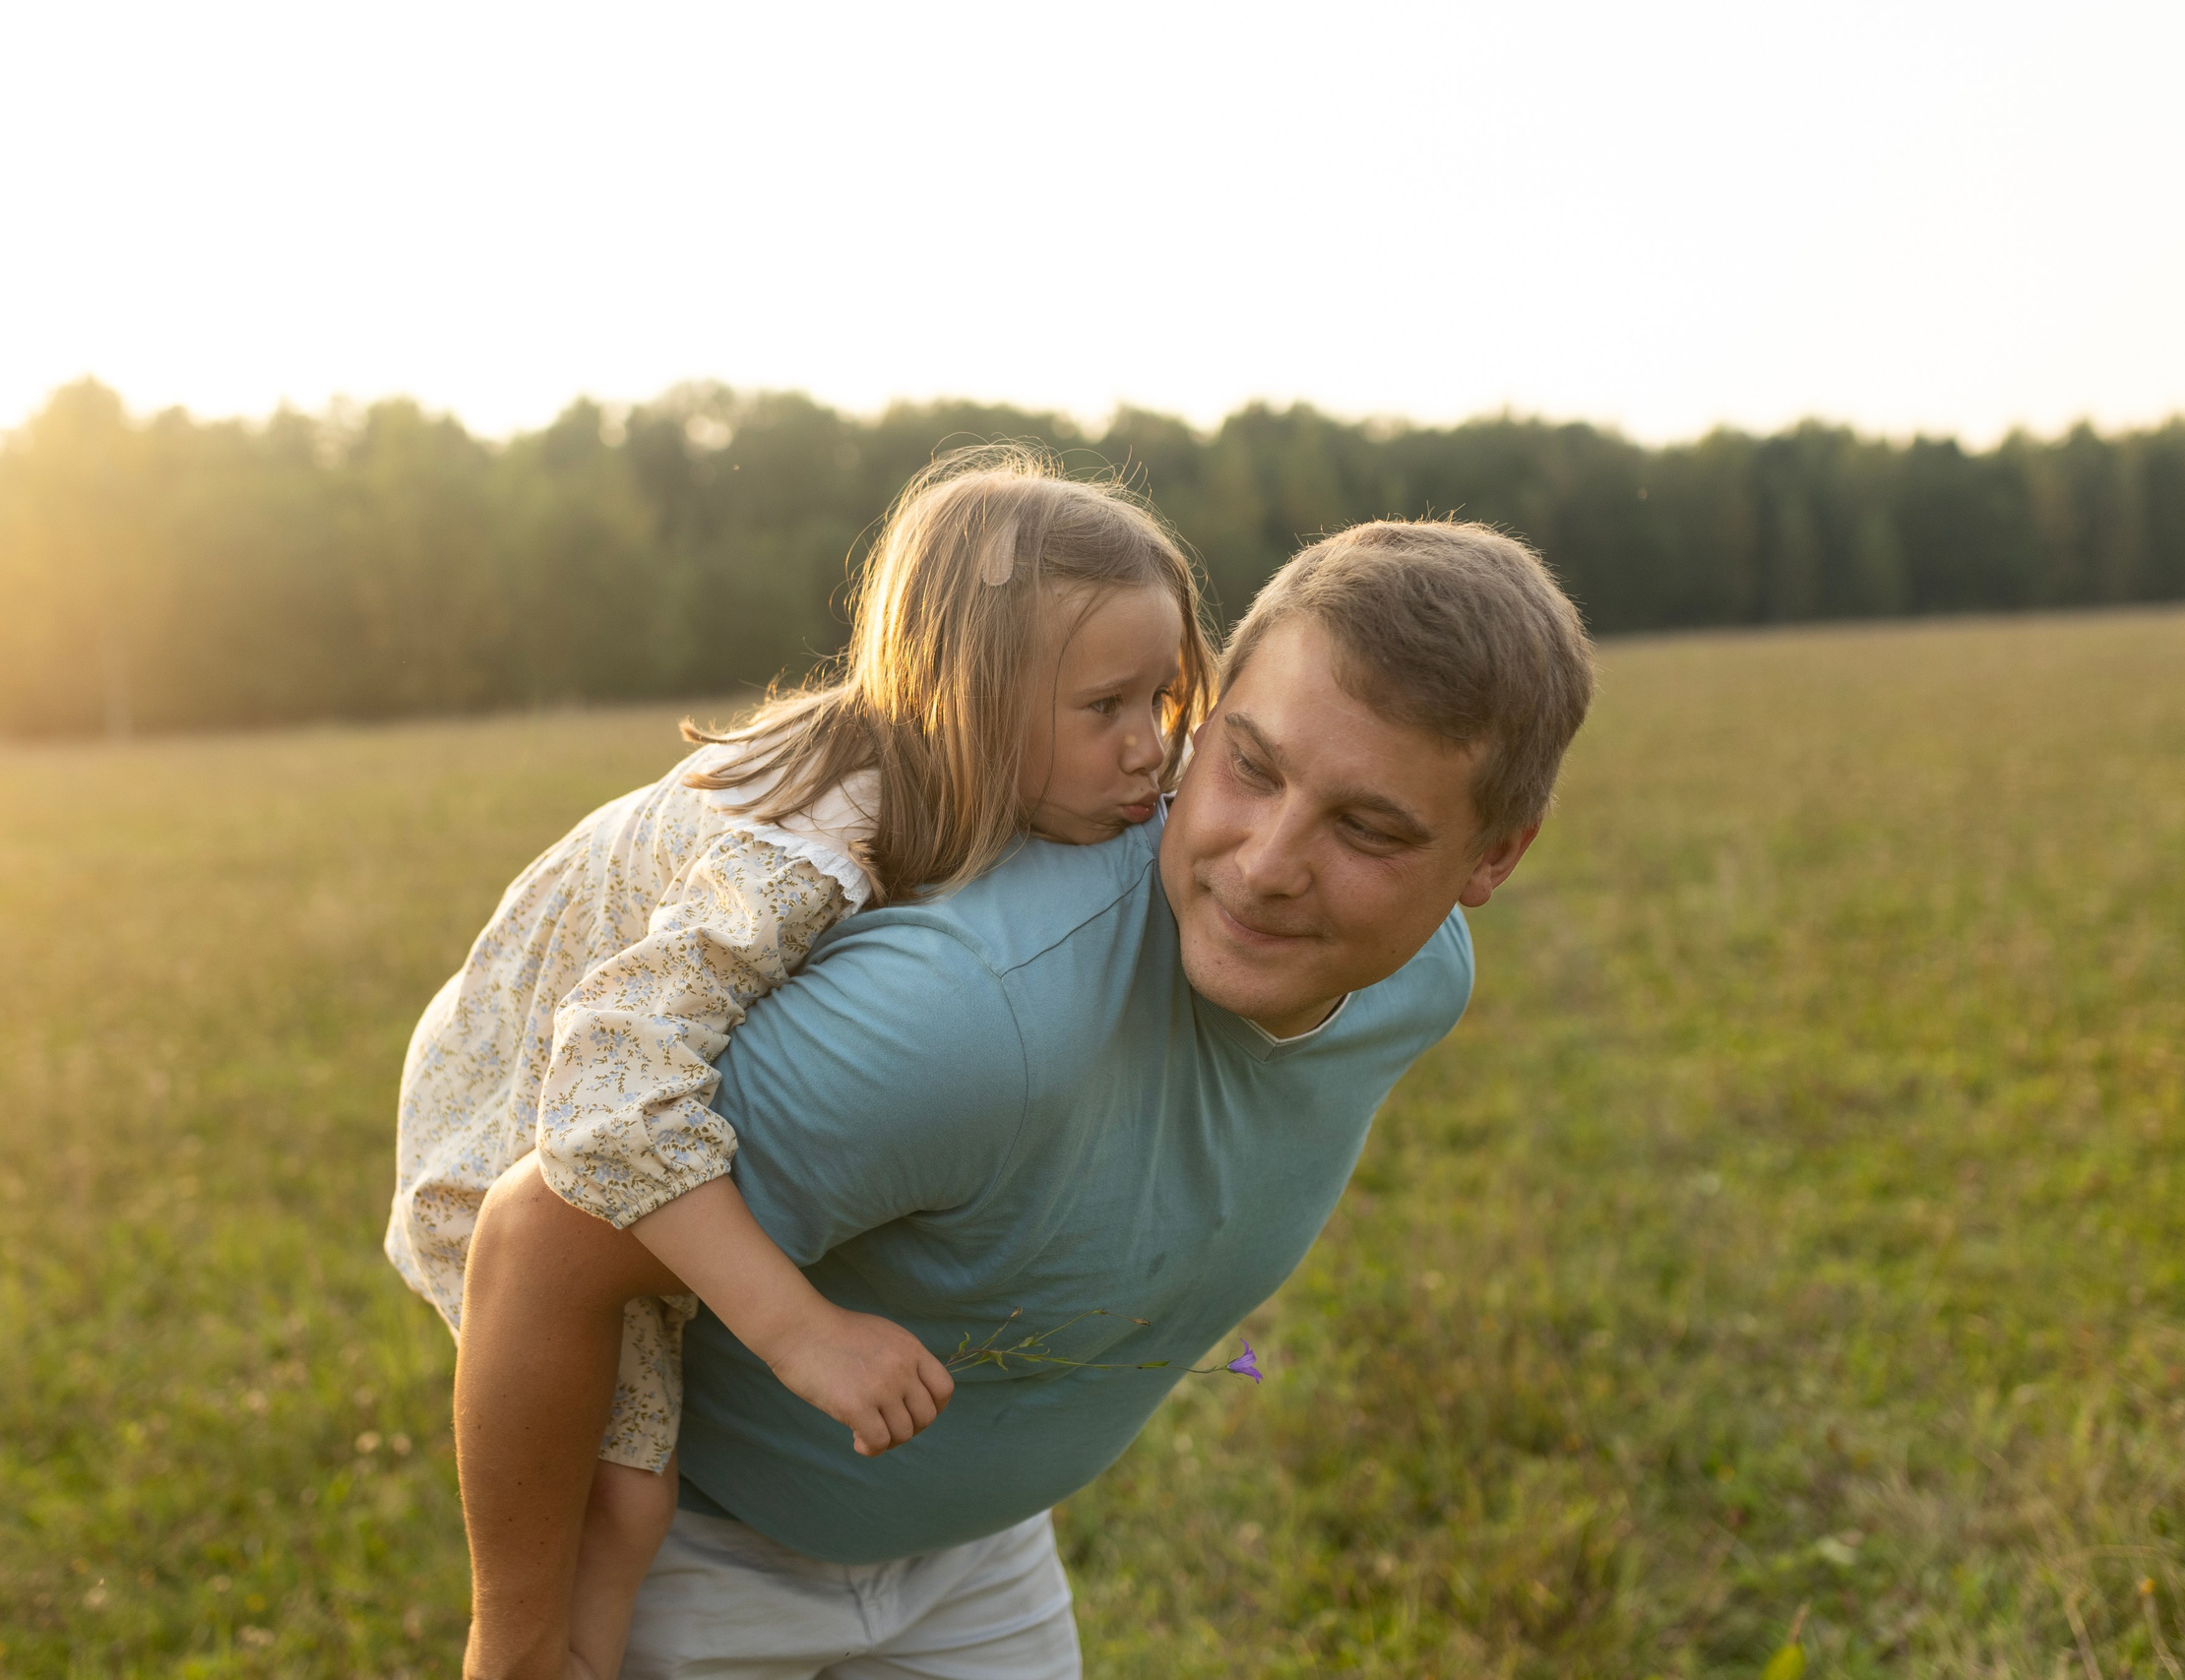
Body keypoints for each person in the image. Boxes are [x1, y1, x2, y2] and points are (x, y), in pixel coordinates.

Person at [454, 518, 1598, 1679]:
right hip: (702, 1557)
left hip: (977, 1564)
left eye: (1367, 829)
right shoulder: (969, 1011)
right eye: (1249, 766)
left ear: (1491, 859)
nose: (1264, 866)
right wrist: (519, 1645)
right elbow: (537, 1241)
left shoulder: (1422, 976)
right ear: (1211, 716)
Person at [385, 446, 1218, 1680]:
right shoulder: (809, 846)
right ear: (969, 701)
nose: (1149, 747)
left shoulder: (997, 780)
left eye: (1164, 700)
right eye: (1106, 710)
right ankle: (515, 1655)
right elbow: (607, 1081)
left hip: (611, 1066)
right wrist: (801, 1333)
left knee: (627, 1488)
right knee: (622, 1498)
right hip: (523, 1078)